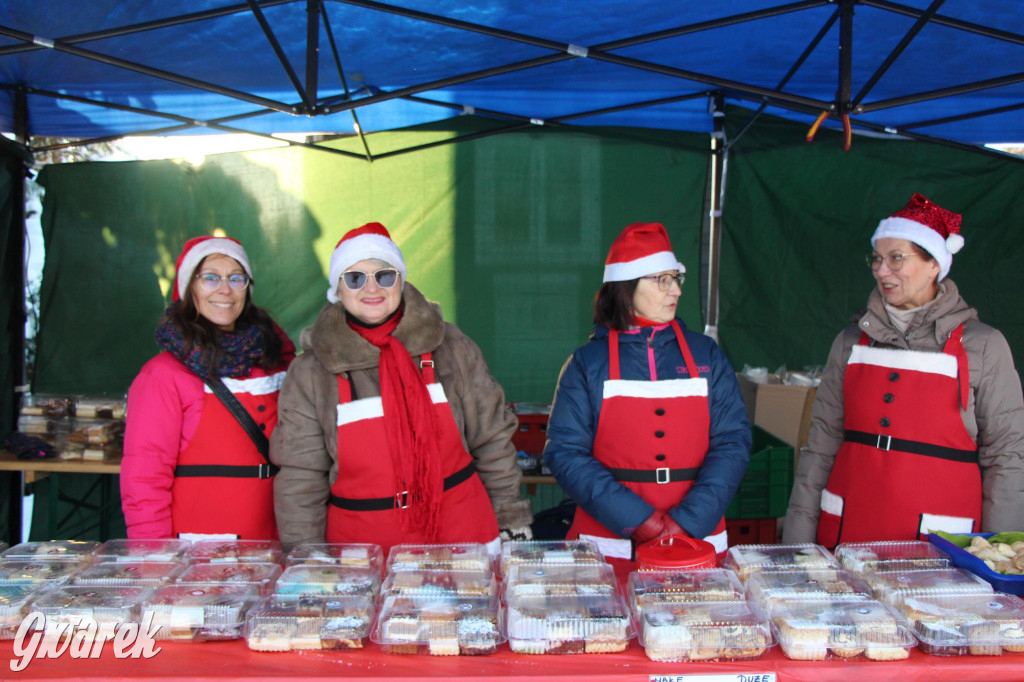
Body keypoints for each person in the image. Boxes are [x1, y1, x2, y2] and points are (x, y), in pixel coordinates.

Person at [270, 222, 533, 554]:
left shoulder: (450, 346)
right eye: (354, 278)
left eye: (384, 275)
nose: (372, 288)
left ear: (400, 279)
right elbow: (301, 477)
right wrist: (307, 555)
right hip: (362, 550)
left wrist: (510, 517)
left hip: (462, 534)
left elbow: (491, 438)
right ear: (337, 289)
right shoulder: (311, 372)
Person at [784, 194, 1024, 546]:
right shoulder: (851, 342)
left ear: (934, 265)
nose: (882, 270)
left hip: (941, 544)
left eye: (897, 258)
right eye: (877, 259)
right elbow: (820, 446)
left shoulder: (984, 346)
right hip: (848, 533)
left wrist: (1001, 554)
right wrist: (798, 543)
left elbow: (1007, 457)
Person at [543, 222, 751, 560]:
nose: (677, 292)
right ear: (626, 287)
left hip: (698, 538)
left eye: (676, 279)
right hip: (606, 545)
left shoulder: (707, 355)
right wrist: (643, 523)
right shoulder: (586, 363)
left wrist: (686, 523)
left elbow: (733, 441)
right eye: (662, 280)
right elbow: (564, 453)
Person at [121, 236, 295, 539]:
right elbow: (144, 480)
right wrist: (155, 559)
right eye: (210, 278)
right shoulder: (163, 376)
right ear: (190, 288)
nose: (224, 289)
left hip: (274, 551)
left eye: (236, 278)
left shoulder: (276, 361)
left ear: (248, 288)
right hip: (200, 561)